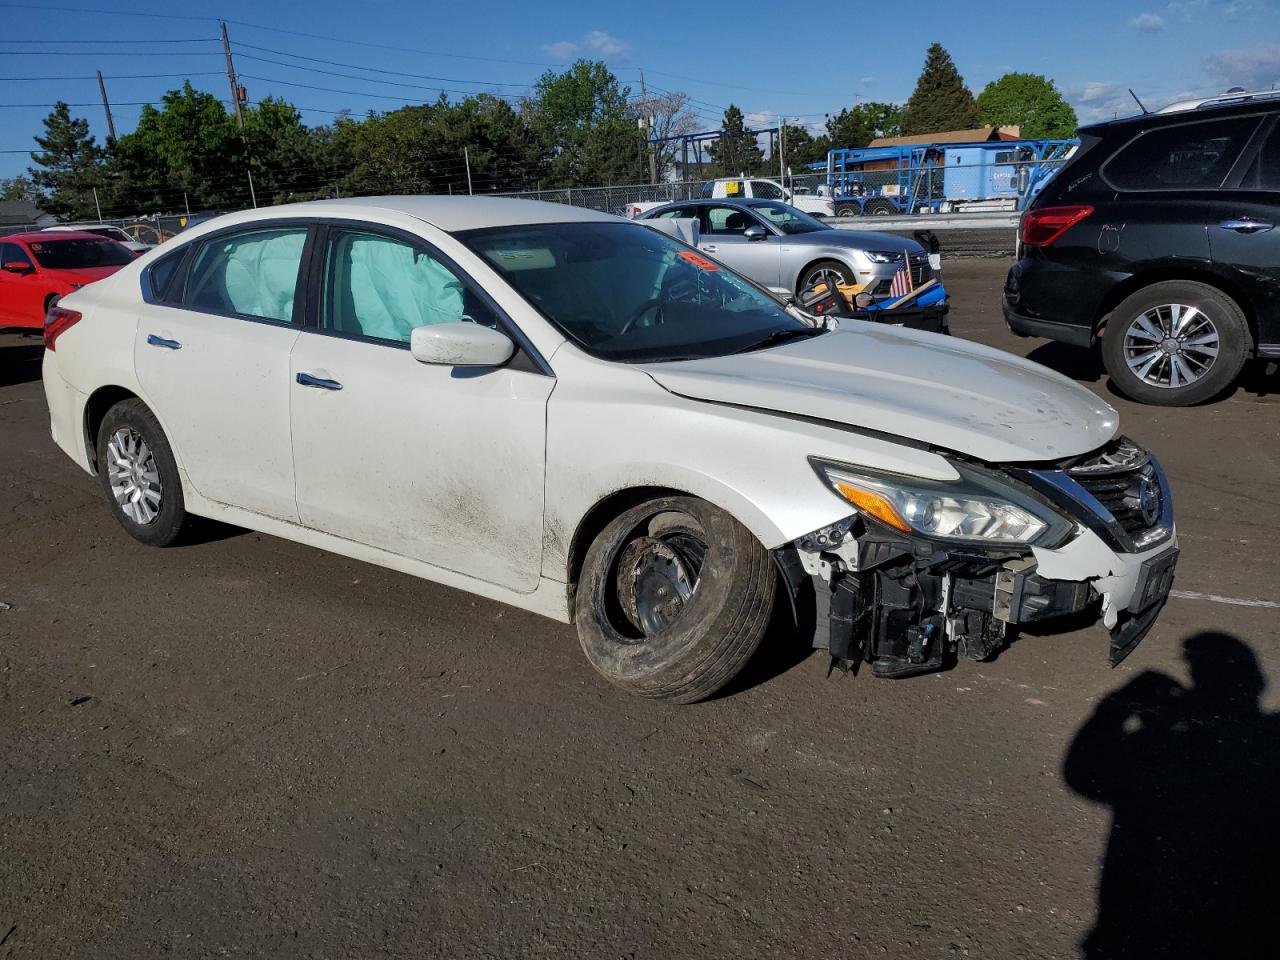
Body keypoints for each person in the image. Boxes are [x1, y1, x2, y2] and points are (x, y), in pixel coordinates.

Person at [1063, 633, 1280, 959]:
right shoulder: (1266, 737)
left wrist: (1116, 705)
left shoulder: (1159, 745)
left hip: (1162, 921)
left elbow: (1082, 775)